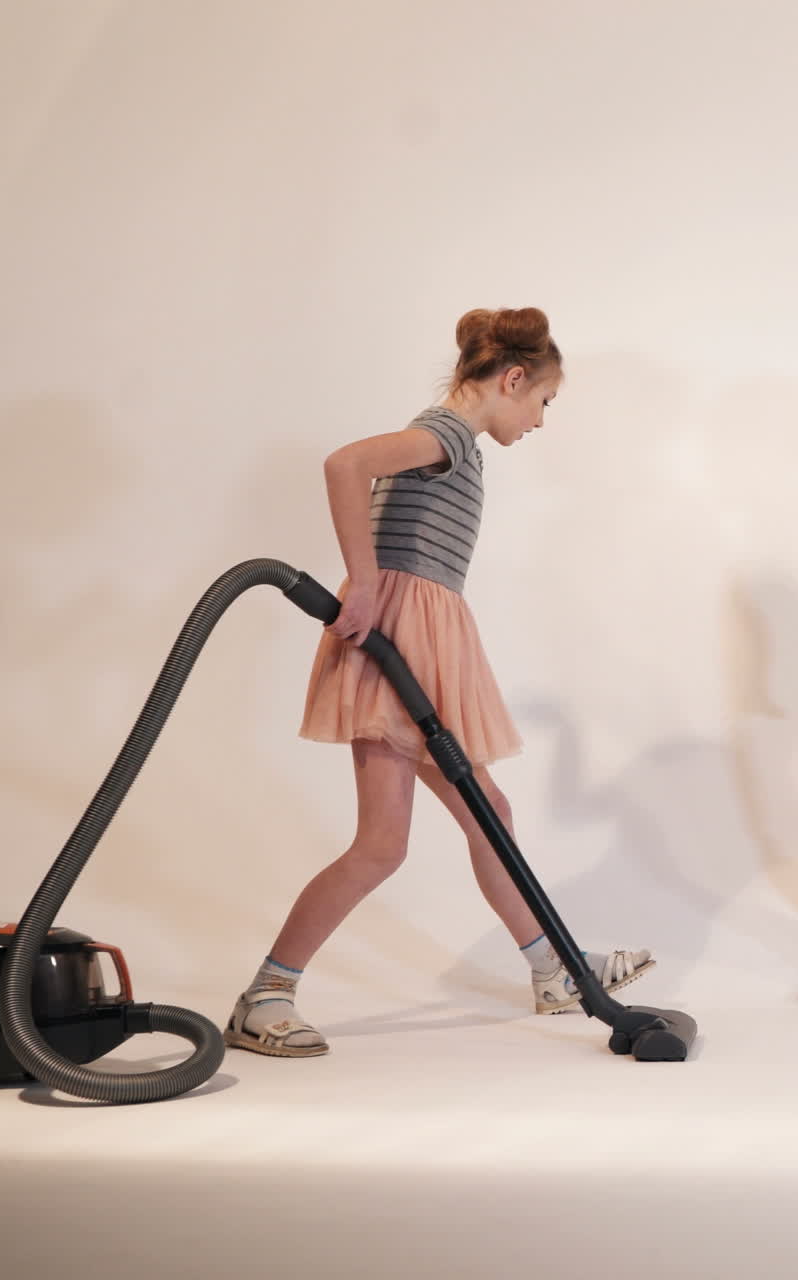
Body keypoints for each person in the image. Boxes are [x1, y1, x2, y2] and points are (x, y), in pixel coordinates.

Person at [224, 307, 654, 1057]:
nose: (541, 420)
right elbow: (344, 464)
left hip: (422, 645)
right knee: (383, 844)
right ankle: (265, 994)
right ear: (512, 380)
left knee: (487, 810)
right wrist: (362, 583)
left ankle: (553, 970)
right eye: (543, 401)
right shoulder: (446, 434)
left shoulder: (456, 443)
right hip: (398, 646)